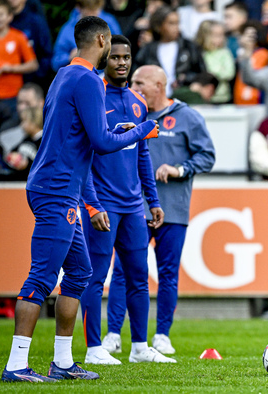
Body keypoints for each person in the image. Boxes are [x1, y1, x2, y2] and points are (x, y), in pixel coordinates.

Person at [1, 15, 158, 383]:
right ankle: (15, 365)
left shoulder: (63, 75)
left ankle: (63, 362)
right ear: (103, 40)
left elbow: (84, 133)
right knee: (41, 277)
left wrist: (115, 129)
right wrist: (139, 131)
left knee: (80, 273)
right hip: (57, 189)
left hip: (57, 186)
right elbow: (102, 145)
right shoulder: (89, 79)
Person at [101, 65, 215, 356]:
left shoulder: (187, 117)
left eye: (140, 82)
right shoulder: (132, 113)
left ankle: (162, 334)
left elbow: (207, 155)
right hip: (132, 208)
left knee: (167, 273)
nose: (133, 86)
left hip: (173, 208)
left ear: (159, 86)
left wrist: (180, 169)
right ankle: (113, 333)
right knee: (123, 271)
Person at [79, 35, 175, 365]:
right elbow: (84, 156)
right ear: (104, 59)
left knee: (138, 276)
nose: (121, 62)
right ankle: (94, 349)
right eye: (115, 57)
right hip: (103, 204)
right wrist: (92, 204)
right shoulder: (94, 95)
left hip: (134, 206)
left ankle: (138, 347)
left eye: (126, 57)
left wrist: (153, 200)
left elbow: (142, 153)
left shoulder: (136, 101)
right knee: (96, 276)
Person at [134, 5, 206, 98]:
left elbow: (202, 74)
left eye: (178, 23)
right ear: (159, 26)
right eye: (171, 23)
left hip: (184, 99)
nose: (176, 27)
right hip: (154, 101)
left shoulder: (189, 47)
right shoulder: (147, 50)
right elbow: (137, 77)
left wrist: (186, 78)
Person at [52, 0, 122, 72]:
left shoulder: (110, 22)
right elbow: (55, 62)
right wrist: (70, 57)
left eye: (97, 9)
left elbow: (121, 49)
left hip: (105, 77)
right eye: (90, 10)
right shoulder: (67, 29)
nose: (95, 14)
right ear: (78, 8)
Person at [0, 0, 38, 114]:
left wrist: (12, 68)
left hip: (14, 95)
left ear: (10, 17)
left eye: (1, 14)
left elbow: (33, 64)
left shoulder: (18, 37)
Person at [9, 0, 53, 86]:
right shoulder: (2, 22)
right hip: (8, 82)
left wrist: (38, 76)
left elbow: (46, 52)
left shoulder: (36, 21)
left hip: (33, 81)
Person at [195, 20, 236, 103]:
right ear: (205, 36)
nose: (220, 38)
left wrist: (212, 73)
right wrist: (219, 70)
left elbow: (229, 73)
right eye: (216, 35)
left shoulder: (225, 52)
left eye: (222, 35)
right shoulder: (199, 53)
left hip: (223, 97)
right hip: (203, 98)